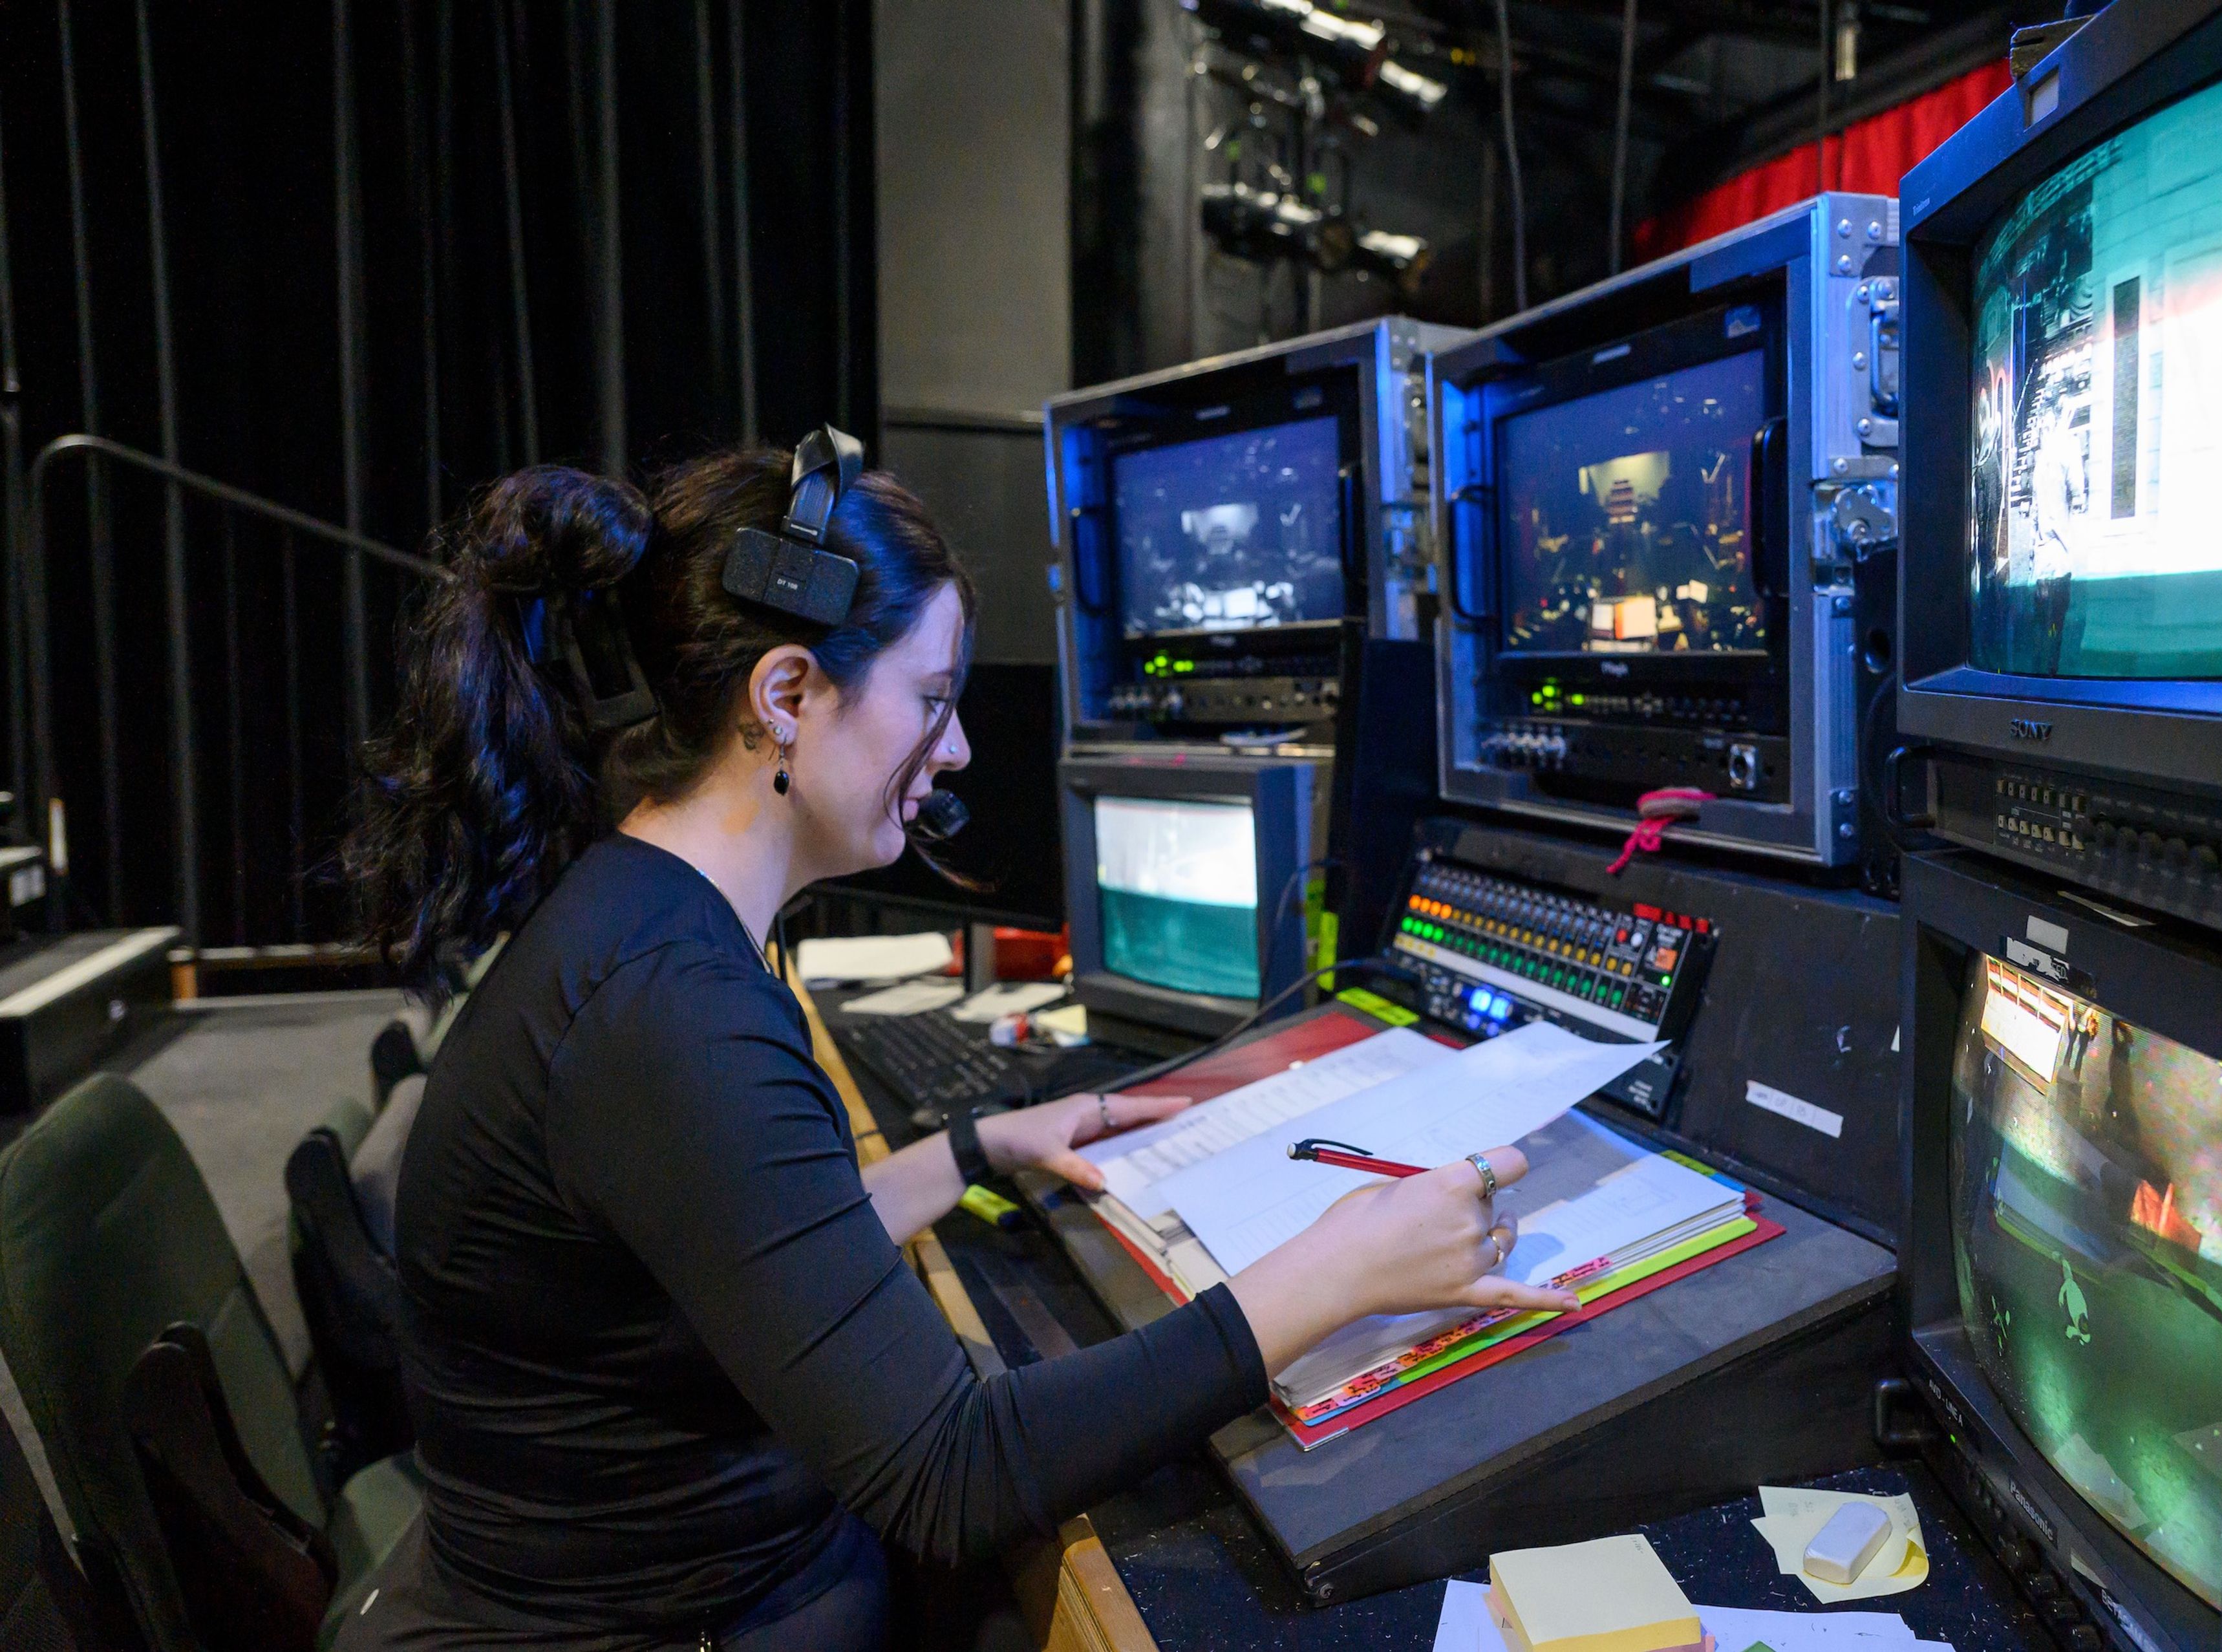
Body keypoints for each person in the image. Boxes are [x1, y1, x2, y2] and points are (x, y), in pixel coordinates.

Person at [334, 444, 1575, 1649]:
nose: (960, 745)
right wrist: (1334, 1276)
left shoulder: (641, 924)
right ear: (784, 696)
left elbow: (757, 1247)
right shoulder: (670, 1014)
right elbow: (950, 1474)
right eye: (932, 700)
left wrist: (978, 1146)